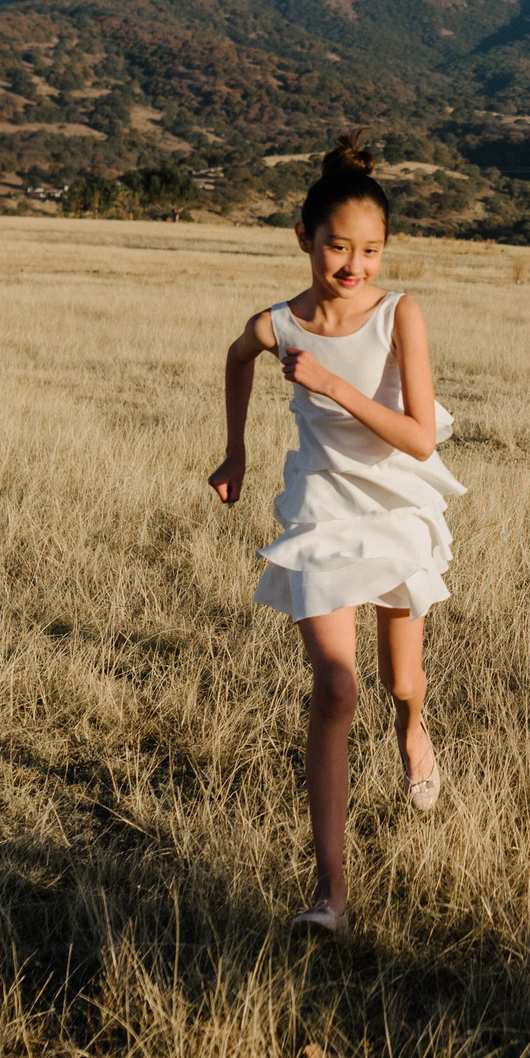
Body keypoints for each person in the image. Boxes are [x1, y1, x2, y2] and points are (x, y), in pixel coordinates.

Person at [209, 135, 464, 935]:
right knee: (335, 687)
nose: (354, 266)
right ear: (304, 237)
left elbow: (420, 437)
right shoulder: (280, 322)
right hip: (320, 511)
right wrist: (236, 450)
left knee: (398, 681)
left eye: (370, 251)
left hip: (394, 507)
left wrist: (330, 383)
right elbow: (234, 355)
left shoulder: (400, 313)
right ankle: (331, 893)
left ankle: (414, 728)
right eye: (337, 248)